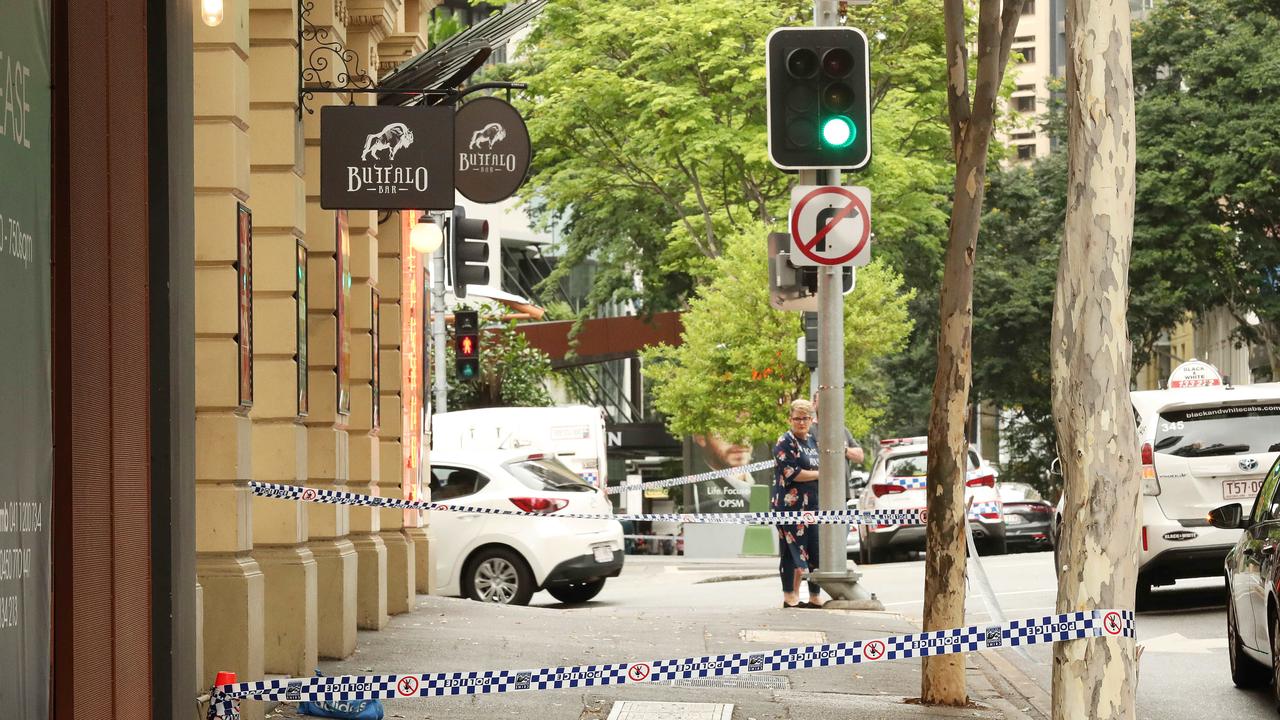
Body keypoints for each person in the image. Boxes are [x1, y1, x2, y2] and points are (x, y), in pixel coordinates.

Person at [771, 399, 824, 609]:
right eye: (797, 418)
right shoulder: (785, 441)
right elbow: (791, 473)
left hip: (812, 505)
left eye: (805, 418)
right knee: (791, 551)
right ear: (789, 419)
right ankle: (789, 595)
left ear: (812, 420)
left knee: (814, 549)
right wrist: (821, 474)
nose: (801, 423)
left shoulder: (812, 441)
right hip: (789, 507)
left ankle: (814, 595)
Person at [809, 392, 865, 467]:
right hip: (819, 478)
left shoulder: (842, 430)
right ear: (814, 404)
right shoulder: (807, 430)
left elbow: (860, 456)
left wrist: (842, 449)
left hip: (843, 479)